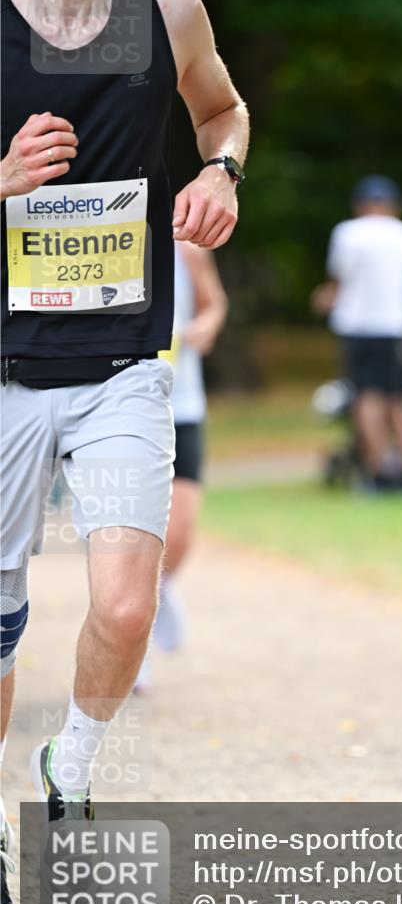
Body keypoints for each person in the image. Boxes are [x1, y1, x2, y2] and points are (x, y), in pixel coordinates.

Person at [0, 0, 249, 904]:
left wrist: (217, 169)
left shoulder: (170, 9)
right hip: (5, 369)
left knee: (124, 601)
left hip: (121, 363)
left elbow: (223, 111)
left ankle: (71, 760)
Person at [135, 241, 227, 691]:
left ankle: (161, 586)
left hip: (182, 405)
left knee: (181, 532)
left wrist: (204, 328)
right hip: (119, 411)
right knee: (124, 539)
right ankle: (137, 646)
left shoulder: (186, 248)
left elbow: (213, 304)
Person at [312, 176, 402, 490]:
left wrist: (325, 298)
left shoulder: (349, 234)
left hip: (359, 325)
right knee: (399, 399)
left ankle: (378, 472)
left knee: (367, 398)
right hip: (398, 325)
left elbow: (339, 281)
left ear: (361, 204)